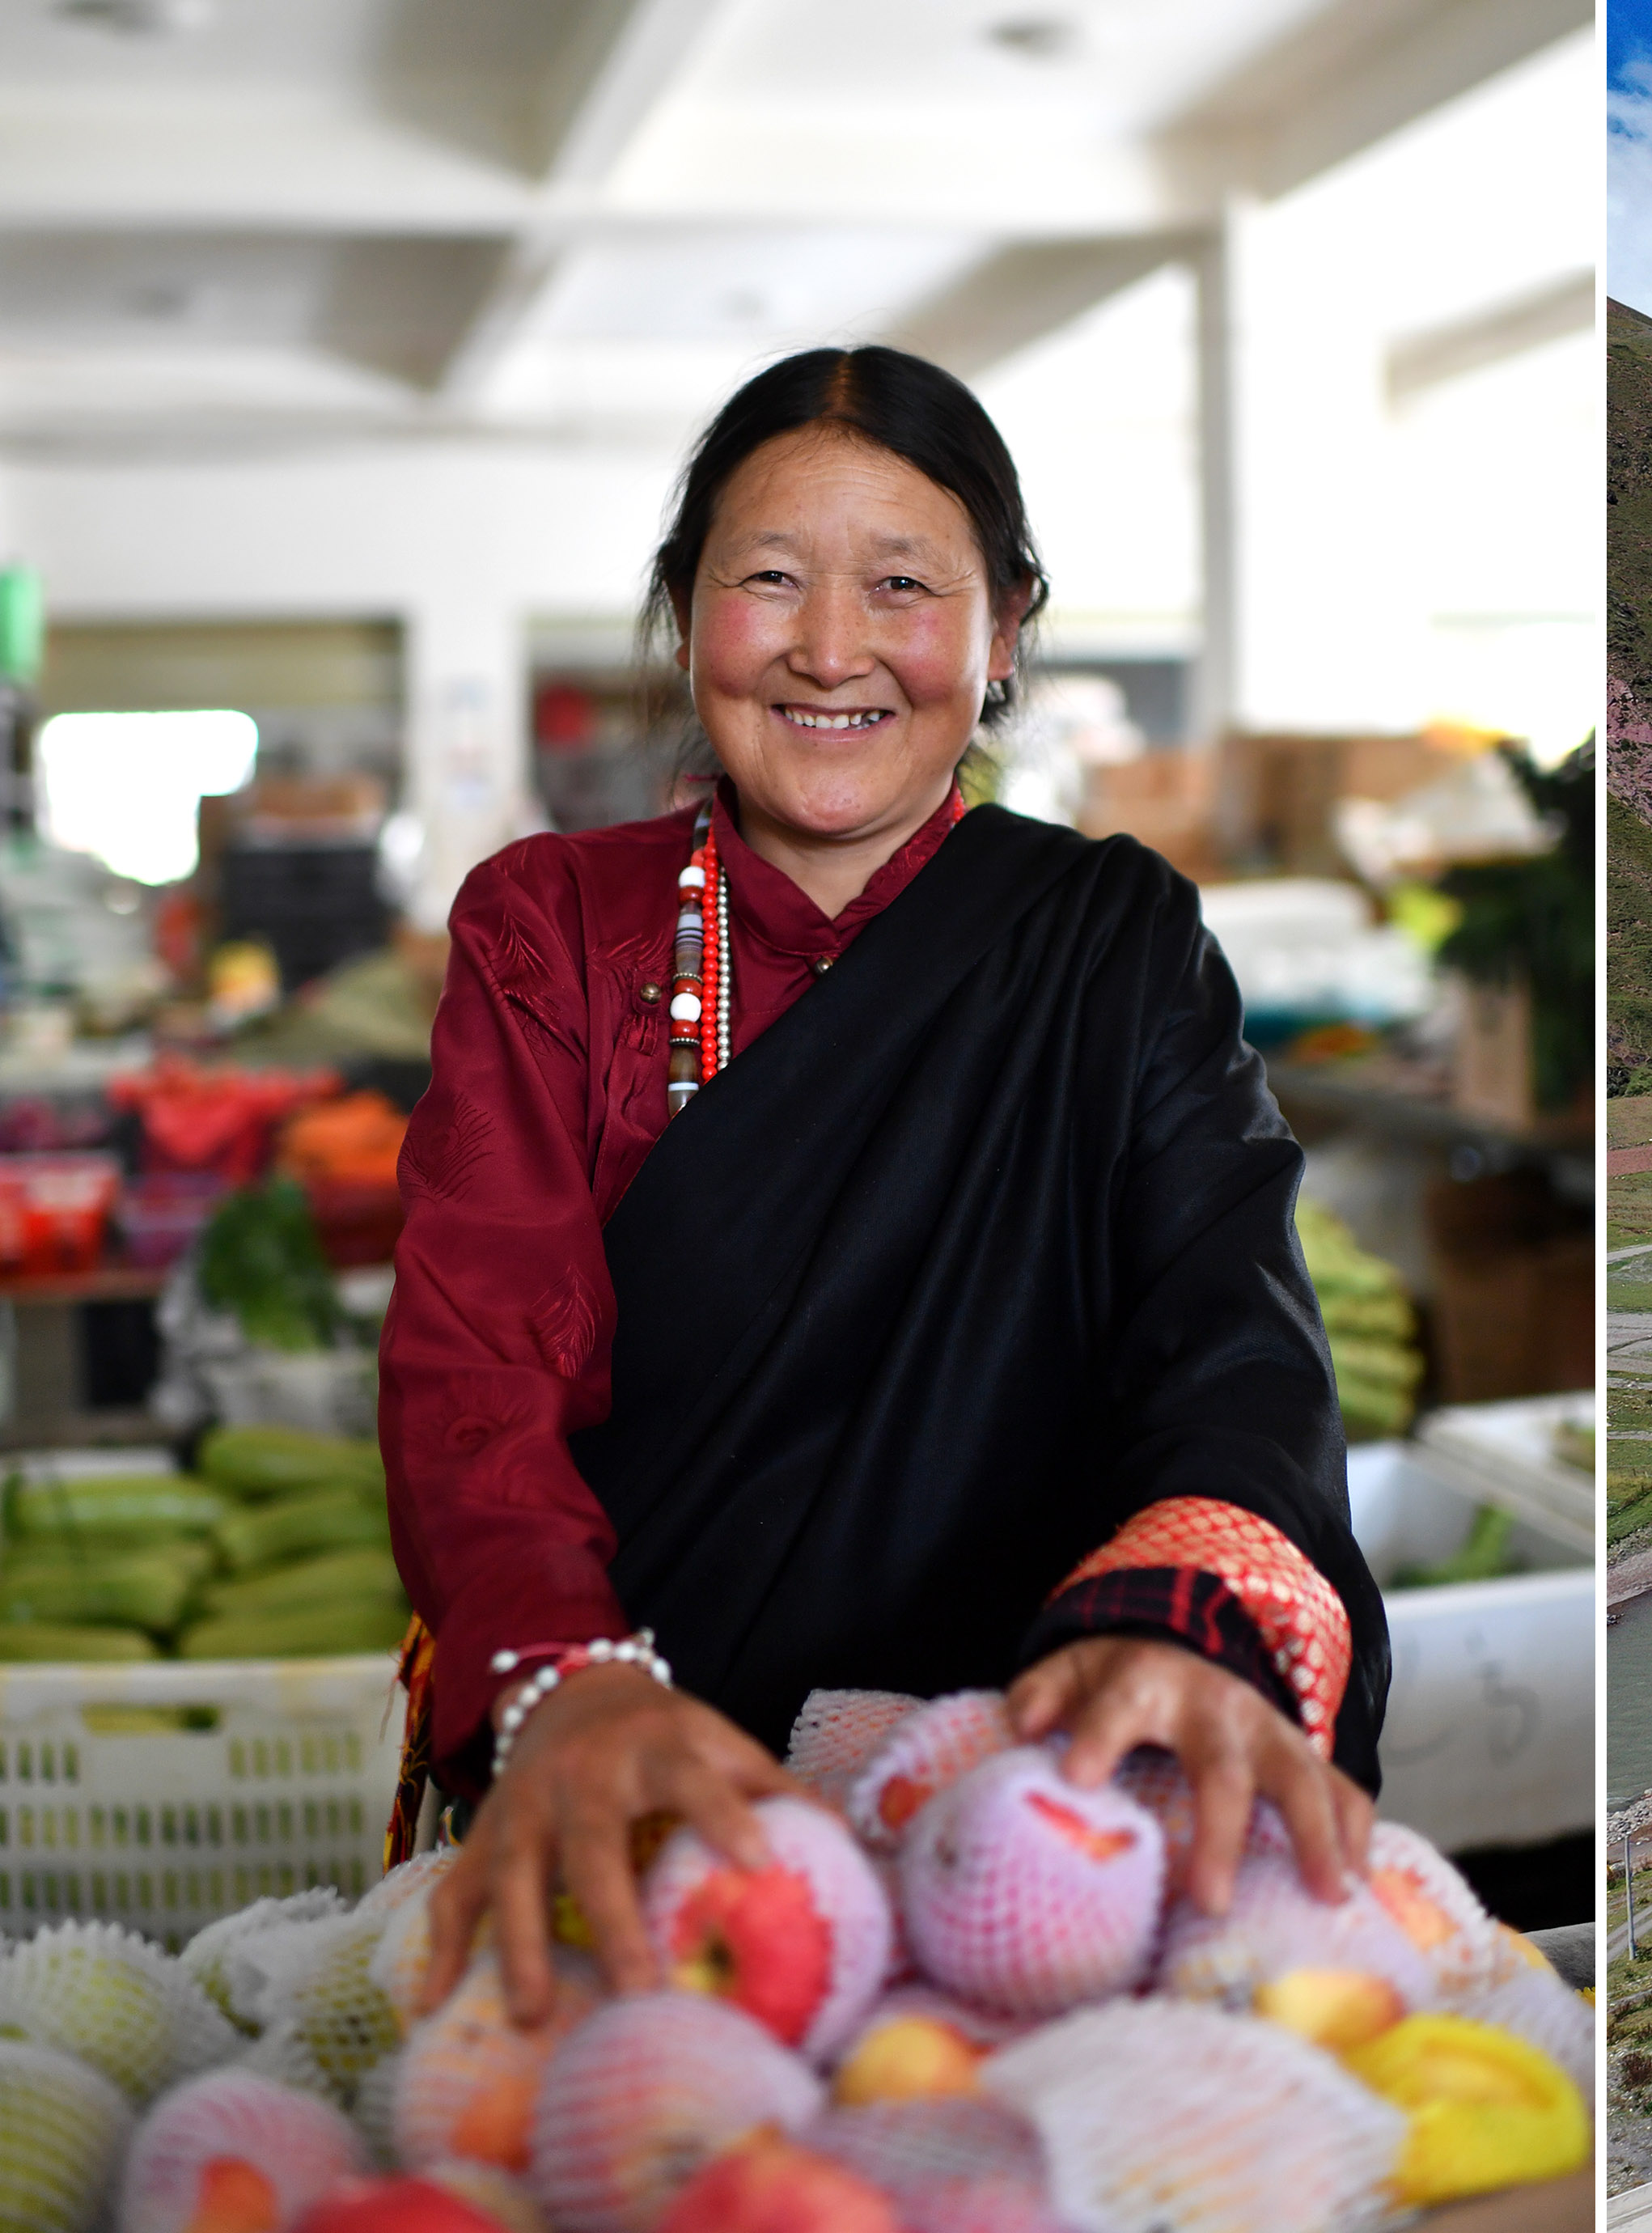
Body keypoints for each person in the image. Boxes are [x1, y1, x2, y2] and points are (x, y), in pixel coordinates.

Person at [379, 345, 1387, 2016]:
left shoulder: (1112, 940)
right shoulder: (550, 924)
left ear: (1004, 631)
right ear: (684, 614)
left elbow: (1228, 1325)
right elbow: (479, 1356)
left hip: (1027, 1812)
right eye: (769, 580)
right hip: (645, 1801)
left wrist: (1182, 1622)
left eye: (903, 586)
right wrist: (570, 1684)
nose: (831, 650)